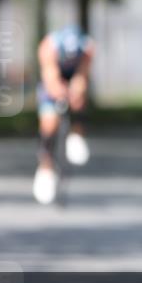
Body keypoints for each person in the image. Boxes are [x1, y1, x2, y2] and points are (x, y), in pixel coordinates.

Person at [32, 25, 95, 204]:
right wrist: (59, 93)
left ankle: (77, 133)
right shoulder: (48, 47)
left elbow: (82, 76)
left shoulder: (88, 48)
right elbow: (50, 79)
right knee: (49, 122)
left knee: (79, 100)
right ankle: (45, 167)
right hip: (53, 77)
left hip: (73, 76)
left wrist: (76, 91)